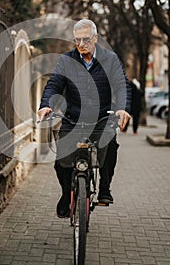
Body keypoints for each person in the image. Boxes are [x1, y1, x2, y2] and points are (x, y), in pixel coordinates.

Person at [37, 19, 131, 218]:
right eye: (77, 40)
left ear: (95, 38)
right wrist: (46, 105)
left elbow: (121, 85)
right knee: (60, 162)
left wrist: (122, 109)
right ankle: (65, 195)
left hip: (101, 118)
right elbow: (54, 84)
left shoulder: (110, 59)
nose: (81, 44)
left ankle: (105, 189)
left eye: (86, 39)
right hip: (73, 118)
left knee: (110, 146)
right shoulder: (66, 60)